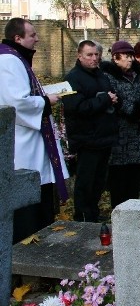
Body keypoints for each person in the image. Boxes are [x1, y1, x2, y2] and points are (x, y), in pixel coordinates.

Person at [0, 18, 69, 242]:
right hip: (23, 147)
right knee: (28, 212)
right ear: (17, 38)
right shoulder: (9, 61)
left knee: (40, 203)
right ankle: (28, 260)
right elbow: (16, 103)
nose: (37, 38)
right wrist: (45, 101)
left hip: (31, 143)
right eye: (32, 35)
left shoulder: (16, 58)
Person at [64, 40, 119, 222]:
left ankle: (93, 212)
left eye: (96, 54)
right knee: (85, 182)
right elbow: (77, 107)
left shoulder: (101, 75)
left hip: (103, 137)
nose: (94, 58)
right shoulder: (73, 78)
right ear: (79, 56)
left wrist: (112, 99)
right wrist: (104, 100)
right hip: (86, 139)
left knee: (98, 182)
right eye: (89, 55)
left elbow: (109, 95)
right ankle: (83, 216)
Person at [103, 41, 140, 209]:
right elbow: (117, 101)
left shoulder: (135, 75)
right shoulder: (108, 76)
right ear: (116, 58)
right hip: (119, 135)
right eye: (126, 56)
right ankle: (119, 213)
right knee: (119, 180)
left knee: (134, 176)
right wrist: (137, 112)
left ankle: (134, 211)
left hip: (136, 134)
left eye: (131, 56)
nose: (131, 60)